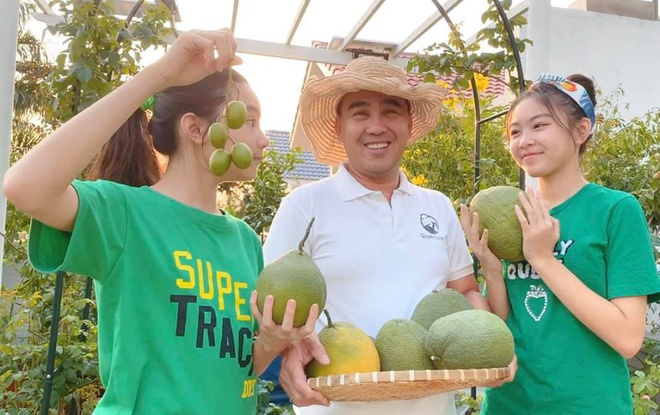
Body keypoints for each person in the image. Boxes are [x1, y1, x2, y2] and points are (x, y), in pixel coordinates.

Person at [3, 29, 319, 414]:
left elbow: (231, 368)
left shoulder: (245, 241)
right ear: (195, 129)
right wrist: (157, 77)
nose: (264, 139)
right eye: (249, 120)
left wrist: (269, 343)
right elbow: (24, 186)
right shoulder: (125, 215)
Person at [262, 56, 512, 415]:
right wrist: (288, 350)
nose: (376, 127)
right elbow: (271, 308)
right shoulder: (305, 205)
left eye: (391, 112)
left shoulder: (437, 207)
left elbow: (466, 293)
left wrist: (494, 346)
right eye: (360, 113)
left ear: (409, 124)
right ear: (339, 126)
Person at [460, 73, 660, 414]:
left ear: (581, 131)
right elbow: (508, 325)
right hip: (510, 405)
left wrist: (544, 259)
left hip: (588, 405)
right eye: (515, 131)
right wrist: (494, 272)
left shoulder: (615, 210)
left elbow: (628, 339)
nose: (524, 140)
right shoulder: (514, 211)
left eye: (539, 126)